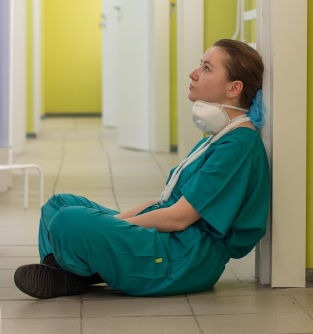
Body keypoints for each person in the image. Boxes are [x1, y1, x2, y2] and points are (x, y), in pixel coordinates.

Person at [14, 39, 270, 298]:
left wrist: (114, 230)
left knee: (68, 222)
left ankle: (70, 273)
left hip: (184, 259)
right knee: (58, 205)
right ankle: (75, 274)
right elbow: (165, 203)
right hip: (172, 242)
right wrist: (110, 227)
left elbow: (178, 217)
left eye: (206, 68)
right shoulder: (220, 136)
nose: (193, 73)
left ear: (234, 88)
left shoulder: (237, 146)